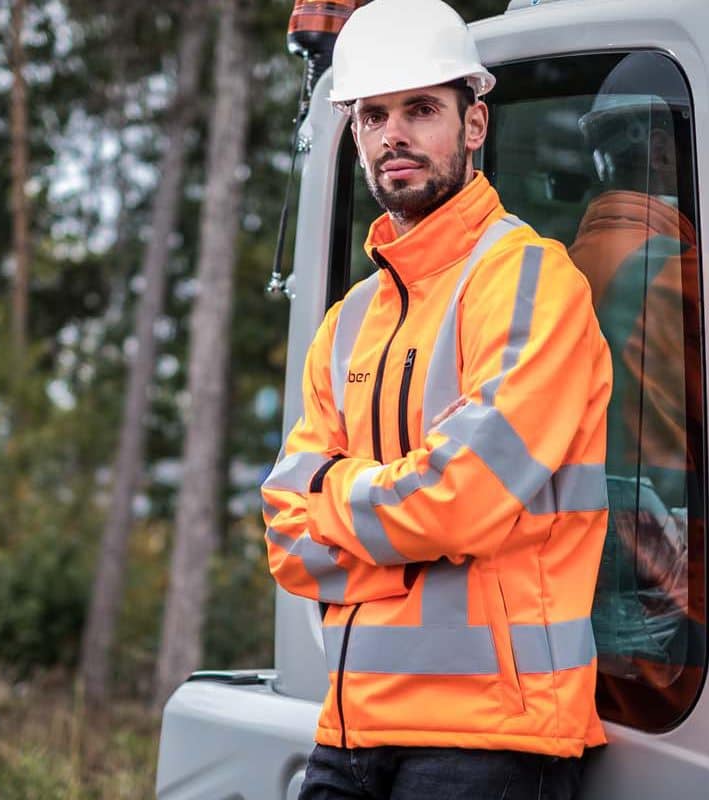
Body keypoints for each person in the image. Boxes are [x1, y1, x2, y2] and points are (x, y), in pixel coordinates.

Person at [260, 1, 613, 796]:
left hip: (491, 740)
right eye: (374, 115)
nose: (395, 136)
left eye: (421, 109)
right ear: (352, 135)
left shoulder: (532, 282)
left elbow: (459, 500)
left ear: (475, 124)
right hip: (349, 732)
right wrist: (413, 525)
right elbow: (285, 532)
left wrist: (337, 492)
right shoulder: (349, 321)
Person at [566, 53, 706, 725]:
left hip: (576, 587)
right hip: (673, 590)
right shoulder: (680, 274)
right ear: (657, 148)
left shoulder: (555, 272)